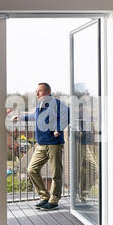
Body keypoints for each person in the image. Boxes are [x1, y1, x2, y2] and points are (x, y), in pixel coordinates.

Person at [11, 83, 69, 211]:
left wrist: (59, 129)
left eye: (40, 91)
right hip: (41, 144)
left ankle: (54, 200)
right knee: (32, 169)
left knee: (56, 173)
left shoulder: (55, 103)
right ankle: (44, 196)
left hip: (54, 144)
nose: (37, 94)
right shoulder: (40, 105)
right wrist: (20, 117)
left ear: (48, 92)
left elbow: (67, 114)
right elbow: (35, 116)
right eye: (36, 91)